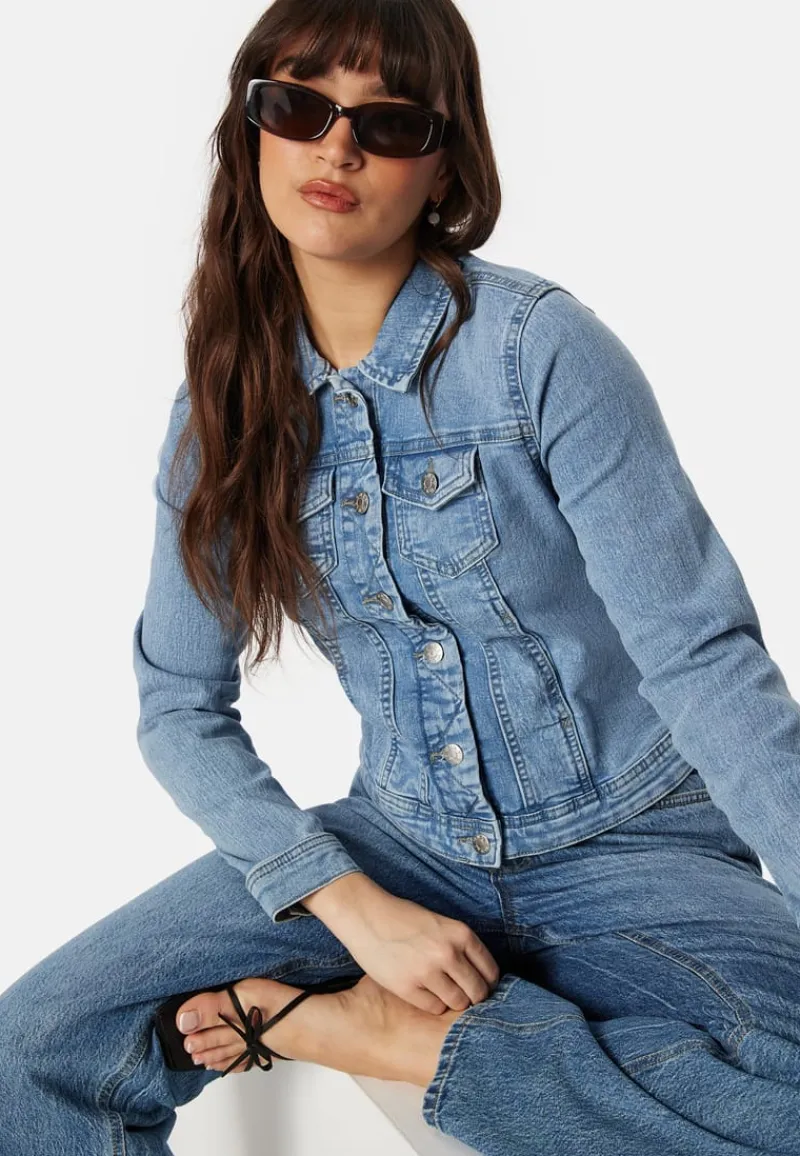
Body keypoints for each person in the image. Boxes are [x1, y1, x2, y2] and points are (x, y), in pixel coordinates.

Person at [2, 0, 800, 1153]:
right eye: (298, 107)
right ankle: (428, 1027)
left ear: (443, 167)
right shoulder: (220, 408)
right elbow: (178, 705)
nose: (335, 148)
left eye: (385, 124)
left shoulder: (537, 350)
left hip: (628, 844)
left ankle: (411, 1046)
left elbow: (701, 658)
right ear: (251, 129)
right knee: (36, 1045)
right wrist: (348, 904)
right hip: (399, 846)